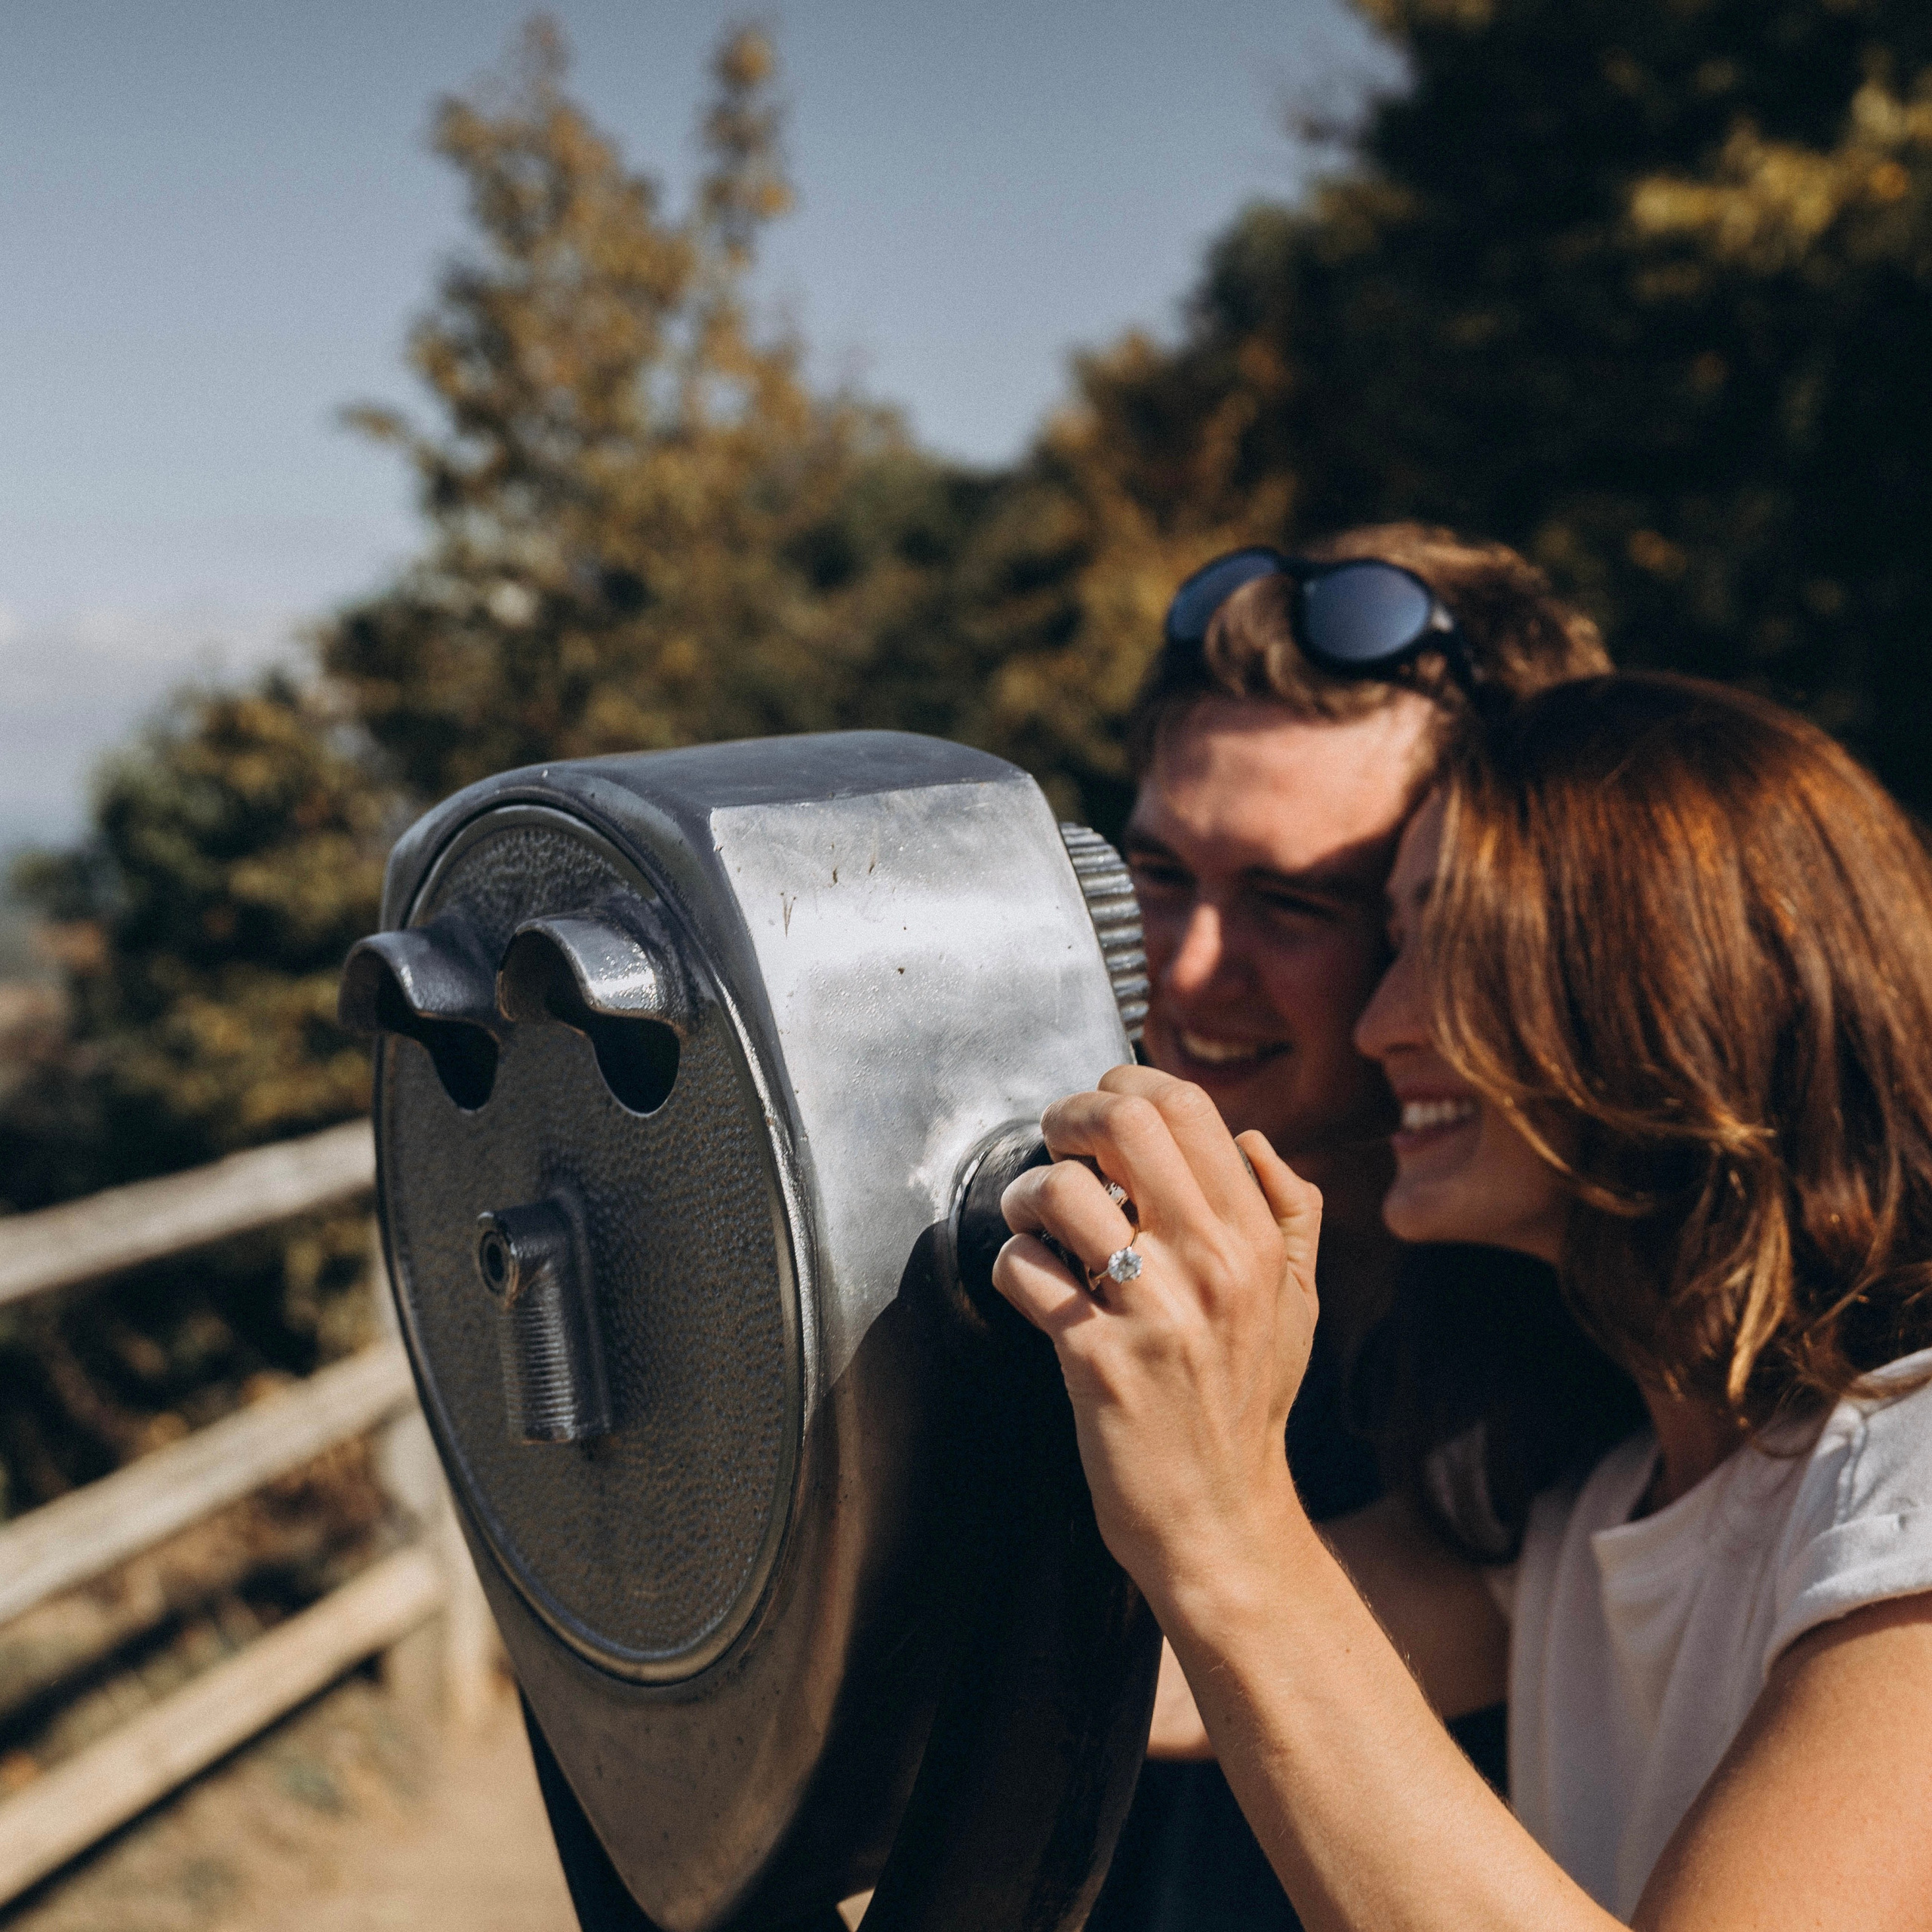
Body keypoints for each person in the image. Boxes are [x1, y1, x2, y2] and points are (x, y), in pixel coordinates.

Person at [1000, 673, 1932, 1929]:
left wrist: (1220, 1501)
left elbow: (1246, 1603)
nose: (1383, 1024)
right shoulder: (1591, 1506)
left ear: (1676, 974)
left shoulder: (1911, 1488)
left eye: (1452, 943)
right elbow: (1145, 1677)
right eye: (1391, 943)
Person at [1095, 528, 1606, 1928]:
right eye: (1159, 875)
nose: (1190, 969)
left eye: (1296, 900)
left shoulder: (1624, 1395)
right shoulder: (1065, 1266)